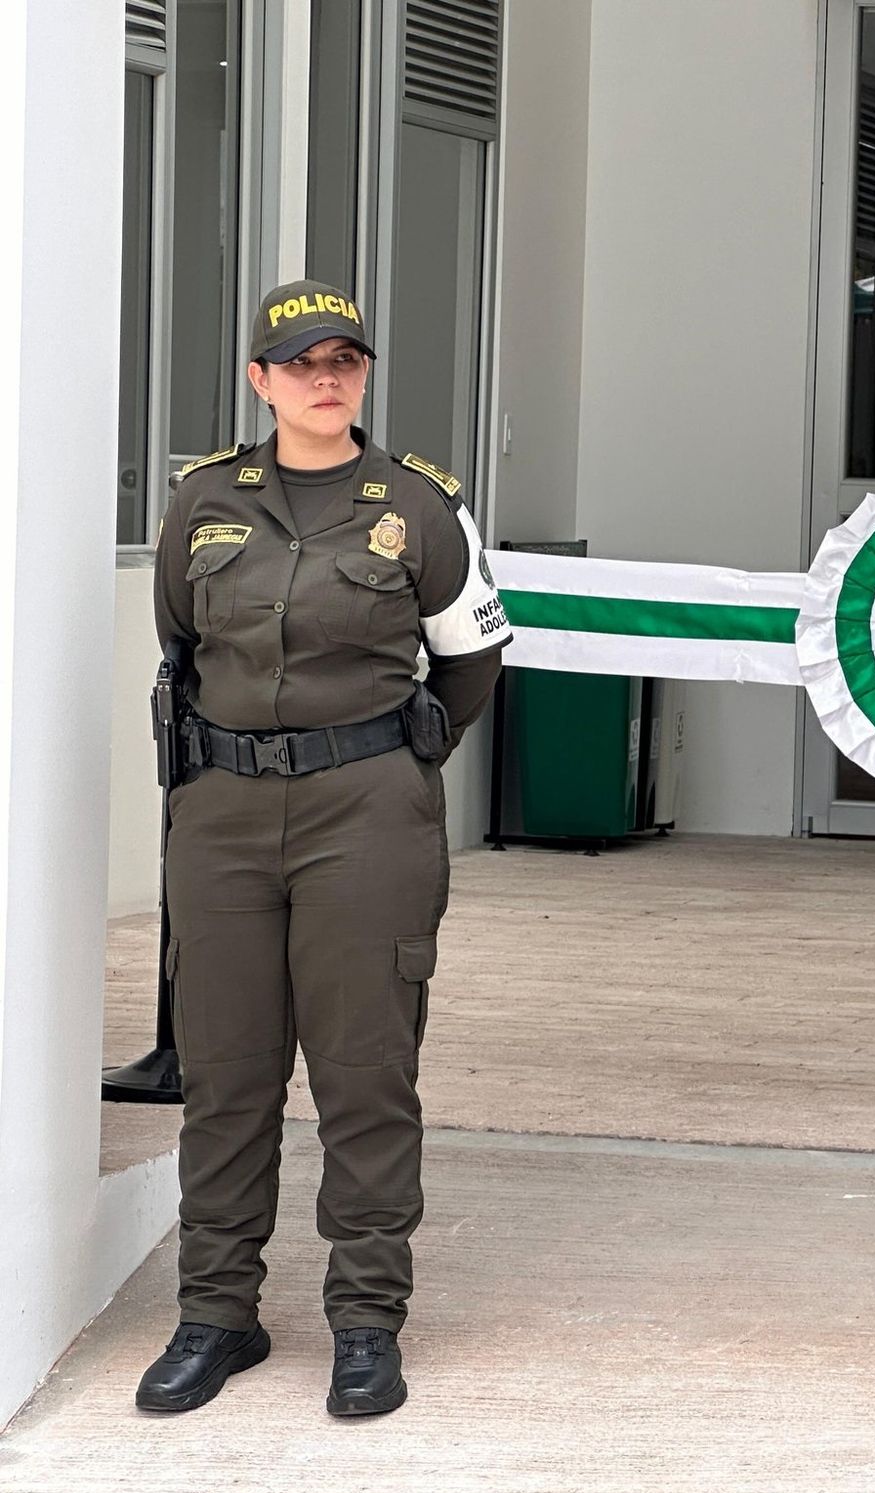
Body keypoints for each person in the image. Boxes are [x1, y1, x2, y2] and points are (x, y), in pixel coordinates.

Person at [135, 279, 512, 1416]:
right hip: (223, 816)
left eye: (344, 360)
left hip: (366, 812)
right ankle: (215, 1315)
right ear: (261, 380)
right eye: (301, 362)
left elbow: (471, 660)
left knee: (363, 1074)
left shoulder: (421, 508)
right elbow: (182, 645)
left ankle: (364, 1321)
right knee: (227, 1075)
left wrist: (395, 763)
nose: (325, 377)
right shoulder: (203, 505)